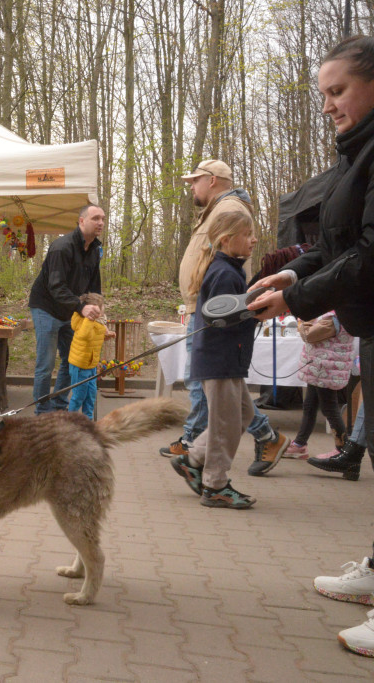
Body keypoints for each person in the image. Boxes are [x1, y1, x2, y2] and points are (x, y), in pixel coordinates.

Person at [249, 35, 374, 657]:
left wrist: (296, 302)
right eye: (322, 93)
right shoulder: (355, 156)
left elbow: (371, 259)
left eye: (337, 91)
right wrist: (292, 275)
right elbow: (342, 245)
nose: (327, 105)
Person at [159, 158, 288, 474]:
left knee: (210, 386)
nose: (191, 186)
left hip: (212, 313)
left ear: (212, 180)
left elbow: (228, 272)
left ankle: (197, 452)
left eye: (195, 181)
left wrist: (216, 309)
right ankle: (265, 437)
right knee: (225, 393)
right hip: (202, 308)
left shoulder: (232, 211)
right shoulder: (217, 209)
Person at [170, 212, 262, 509]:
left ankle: (193, 458)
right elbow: (226, 320)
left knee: (243, 415)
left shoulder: (230, 270)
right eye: (247, 234)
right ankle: (215, 485)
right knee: (225, 424)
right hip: (219, 360)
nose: (254, 239)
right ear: (227, 239)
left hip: (227, 360)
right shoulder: (224, 273)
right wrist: (257, 309)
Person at [27, 204, 104, 413]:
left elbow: (94, 286)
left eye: (103, 219)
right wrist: (81, 307)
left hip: (72, 310)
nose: (101, 223)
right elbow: (56, 286)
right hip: (46, 307)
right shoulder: (62, 247)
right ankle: (42, 412)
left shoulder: (95, 250)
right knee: (46, 364)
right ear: (81, 221)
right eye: (95, 218)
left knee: (73, 361)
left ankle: (59, 405)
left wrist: (97, 310)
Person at [280, 312, 352, 466]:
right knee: (310, 405)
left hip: (326, 368)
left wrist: (303, 319)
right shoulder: (334, 313)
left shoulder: (332, 317)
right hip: (320, 367)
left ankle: (344, 449)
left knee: (329, 408)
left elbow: (309, 335)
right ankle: (300, 444)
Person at [66, 292, 112, 419]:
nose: (102, 309)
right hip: (80, 366)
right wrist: (89, 318)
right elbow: (85, 335)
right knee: (79, 396)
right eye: (99, 307)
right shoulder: (82, 321)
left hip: (91, 365)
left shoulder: (99, 322)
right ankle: (70, 422)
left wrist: (106, 334)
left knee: (91, 396)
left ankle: (88, 421)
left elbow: (94, 336)